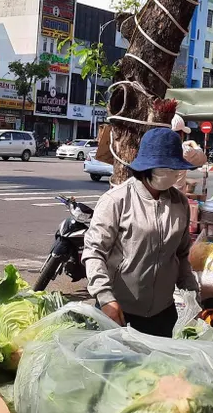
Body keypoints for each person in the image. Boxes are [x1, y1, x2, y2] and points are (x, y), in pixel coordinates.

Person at [83, 128, 199, 337]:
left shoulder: (179, 203)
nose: (171, 173)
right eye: (164, 168)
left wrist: (192, 295)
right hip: (118, 312)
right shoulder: (117, 200)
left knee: (157, 369)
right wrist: (105, 297)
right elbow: (94, 252)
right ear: (147, 168)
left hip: (163, 315)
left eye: (175, 168)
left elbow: (181, 255)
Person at [170, 114, 207, 193]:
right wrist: (193, 143)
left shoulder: (149, 146)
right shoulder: (184, 150)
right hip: (174, 198)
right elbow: (203, 159)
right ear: (181, 134)